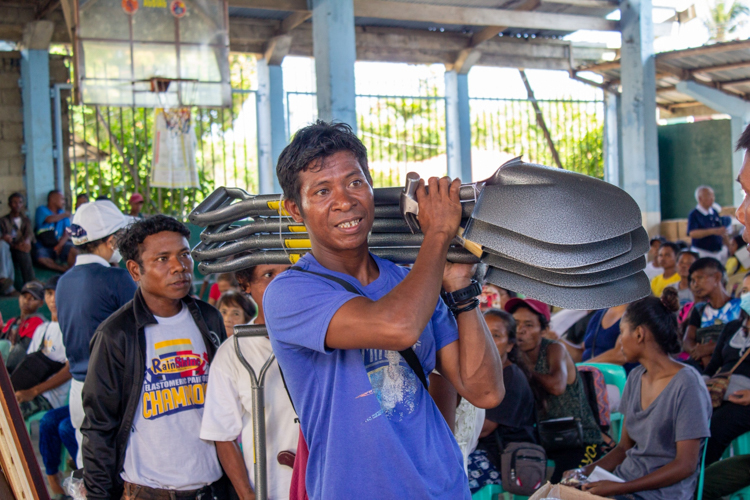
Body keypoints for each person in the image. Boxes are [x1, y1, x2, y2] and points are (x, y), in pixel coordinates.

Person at [263, 121, 504, 499]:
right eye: (323, 190)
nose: (345, 201)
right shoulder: (290, 293)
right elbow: (399, 327)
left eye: (355, 182)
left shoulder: (409, 281)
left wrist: (461, 289)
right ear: (295, 208)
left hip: (441, 487)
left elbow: (485, 391)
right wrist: (439, 233)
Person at [81, 215, 229, 500]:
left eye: (184, 254)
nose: (179, 266)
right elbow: (99, 427)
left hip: (211, 489)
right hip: (150, 492)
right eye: (162, 259)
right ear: (135, 270)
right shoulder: (116, 334)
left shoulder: (208, 319)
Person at [562, 288, 712, 499]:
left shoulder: (687, 384)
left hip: (659, 493)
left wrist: (620, 488)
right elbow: (623, 448)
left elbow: (685, 465)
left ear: (640, 334)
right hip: (625, 484)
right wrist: (583, 471)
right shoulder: (635, 377)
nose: (620, 340)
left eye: (622, 332)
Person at [201, 263, 296, 500]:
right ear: (245, 285)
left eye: (290, 271)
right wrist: (246, 494)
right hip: (272, 489)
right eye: (268, 275)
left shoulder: (328, 335)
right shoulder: (233, 353)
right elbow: (223, 434)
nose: (282, 282)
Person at [56, 200, 137, 466]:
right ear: (112, 241)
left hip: (78, 387)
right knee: (120, 468)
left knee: (88, 465)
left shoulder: (63, 282)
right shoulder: (116, 279)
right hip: (111, 389)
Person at [506, 297, 604, 483]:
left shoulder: (554, 349)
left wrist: (522, 368)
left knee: (565, 486)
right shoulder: (513, 354)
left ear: (543, 330)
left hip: (580, 441)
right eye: (516, 323)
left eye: (529, 325)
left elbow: (557, 386)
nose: (520, 330)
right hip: (544, 439)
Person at [467, 309, 537, 494]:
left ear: (510, 345)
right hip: (482, 451)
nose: (486, 340)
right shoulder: (485, 373)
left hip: (501, 461)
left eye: (496, 335)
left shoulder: (510, 378)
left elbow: (483, 429)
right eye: (482, 332)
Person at [702, 272, 750, 465]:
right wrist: (702, 386)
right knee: (687, 418)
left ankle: (699, 482)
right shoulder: (732, 327)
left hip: (745, 400)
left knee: (716, 426)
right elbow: (713, 365)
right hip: (721, 393)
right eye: (746, 290)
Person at [14, 276, 72, 420]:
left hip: (51, 397)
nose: (53, 299)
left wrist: (33, 392)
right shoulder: (42, 328)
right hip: (30, 390)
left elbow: (70, 370)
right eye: (49, 294)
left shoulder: (71, 329)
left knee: (10, 415)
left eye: (57, 293)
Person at [683, 257, 741, 369]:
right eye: (693, 280)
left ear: (717, 277)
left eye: (700, 278)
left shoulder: (740, 306)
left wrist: (710, 349)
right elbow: (687, 340)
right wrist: (699, 352)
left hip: (731, 364)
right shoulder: (699, 310)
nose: (695, 284)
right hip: (701, 364)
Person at [0, 280, 45, 372]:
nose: (26, 301)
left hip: (18, 372)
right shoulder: (12, 321)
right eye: (24, 296)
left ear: (40, 303)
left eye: (33, 298)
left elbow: (17, 357)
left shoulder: (37, 321)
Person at [34, 189, 77, 272]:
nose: (63, 202)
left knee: (74, 251)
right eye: (62, 199)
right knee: (41, 258)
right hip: (44, 245)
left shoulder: (62, 213)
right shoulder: (41, 210)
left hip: (59, 244)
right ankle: (62, 269)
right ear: (53, 199)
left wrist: (59, 246)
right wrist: (64, 215)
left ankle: (73, 272)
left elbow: (67, 232)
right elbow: (49, 219)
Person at [39, 406, 78, 498]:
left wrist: (35, 391)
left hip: (102, 401)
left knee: (65, 428)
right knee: (48, 421)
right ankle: (54, 481)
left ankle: (86, 478)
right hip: (80, 400)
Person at [688, 186, 731, 263]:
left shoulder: (714, 212)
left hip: (717, 252)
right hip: (702, 252)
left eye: (713, 195)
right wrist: (713, 231)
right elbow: (692, 233)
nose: (712, 198)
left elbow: (721, 229)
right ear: (700, 198)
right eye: (708, 195)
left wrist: (729, 245)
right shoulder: (694, 214)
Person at [0, 192, 35, 286]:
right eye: (14, 202)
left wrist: (27, 242)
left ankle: (30, 283)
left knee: (24, 252)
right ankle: (30, 282)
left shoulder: (26, 220)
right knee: (20, 252)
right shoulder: (3, 220)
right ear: (9, 204)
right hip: (11, 248)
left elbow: (29, 234)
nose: (17, 205)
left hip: (23, 247)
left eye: (20, 202)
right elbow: (4, 239)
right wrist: (16, 246)